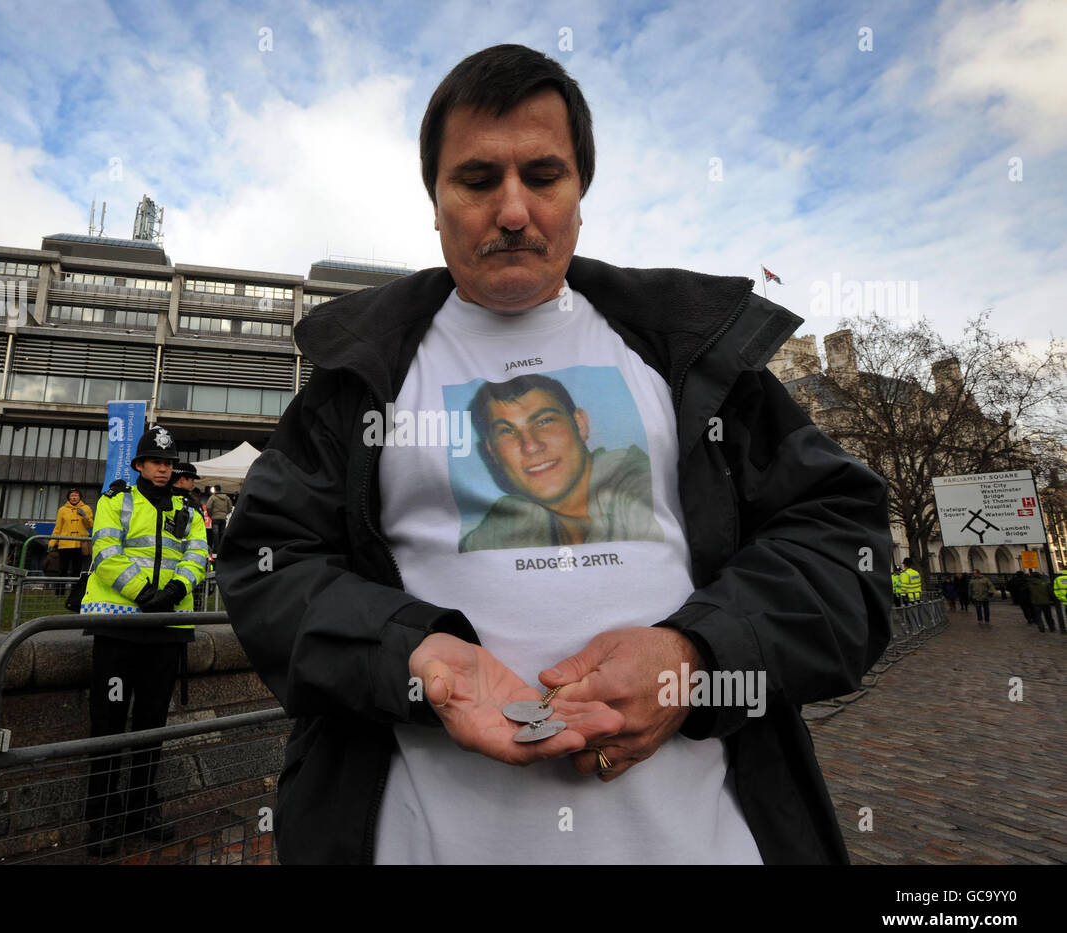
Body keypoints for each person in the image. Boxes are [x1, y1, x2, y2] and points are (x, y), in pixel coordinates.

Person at [217, 45, 892, 865]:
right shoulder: (358, 377)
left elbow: (843, 547)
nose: (512, 210)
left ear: (580, 193)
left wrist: (697, 657)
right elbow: (268, 564)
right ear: (434, 200)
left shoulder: (694, 350)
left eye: (543, 175)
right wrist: (414, 656)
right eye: (476, 180)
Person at [81, 426, 210, 856]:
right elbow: (104, 552)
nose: (163, 468)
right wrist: (144, 593)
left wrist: (172, 592)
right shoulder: (114, 500)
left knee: (151, 725)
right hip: (119, 628)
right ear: (139, 465)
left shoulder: (188, 509)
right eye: (156, 461)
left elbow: (197, 555)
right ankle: (101, 818)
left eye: (169, 463)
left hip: (165, 630)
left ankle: (141, 809)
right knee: (108, 725)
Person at [459, 374, 661, 551]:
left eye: (544, 421)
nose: (530, 446)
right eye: (507, 431)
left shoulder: (638, 486)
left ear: (580, 425)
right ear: (492, 452)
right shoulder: (509, 521)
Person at [49, 489, 94, 597]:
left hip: (79, 544)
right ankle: (59, 593)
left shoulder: (86, 508)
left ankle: (75, 593)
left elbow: (91, 525)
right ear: (68, 498)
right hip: (64, 544)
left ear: (80, 497)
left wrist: (85, 516)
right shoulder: (62, 510)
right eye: (72, 496)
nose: (74, 497)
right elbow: (58, 527)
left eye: (76, 496)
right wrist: (52, 542)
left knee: (77, 570)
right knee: (62, 570)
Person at [205, 486, 232, 553]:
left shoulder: (213, 497)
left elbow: (208, 507)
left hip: (215, 518)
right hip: (223, 518)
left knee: (215, 534)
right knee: (222, 533)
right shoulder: (227, 498)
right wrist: (225, 513)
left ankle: (216, 549)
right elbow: (230, 508)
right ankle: (222, 549)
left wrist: (211, 514)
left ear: (215, 490)